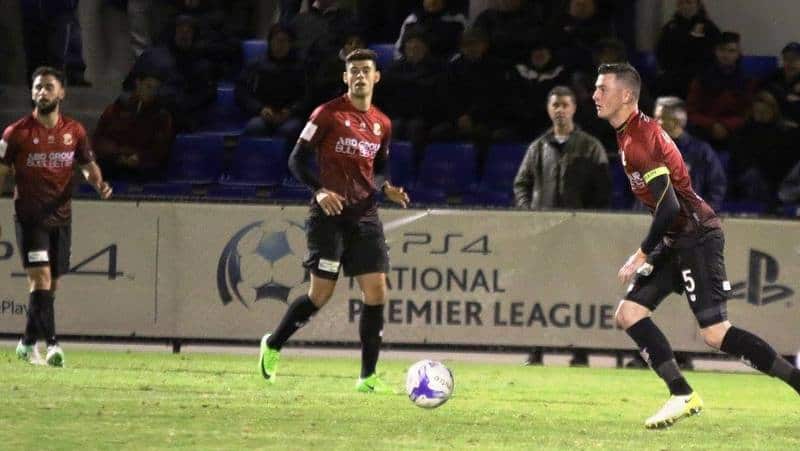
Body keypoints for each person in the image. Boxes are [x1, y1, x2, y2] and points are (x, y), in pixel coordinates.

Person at [592, 62, 800, 429]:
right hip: (677, 237)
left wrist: (642, 251)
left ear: (626, 95)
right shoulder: (629, 132)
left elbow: (669, 205)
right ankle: (681, 394)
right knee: (629, 313)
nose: (594, 95)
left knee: (715, 333)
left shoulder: (640, 139)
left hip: (696, 235)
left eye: (602, 88)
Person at [258, 49, 410, 393]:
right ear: (345, 77)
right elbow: (295, 160)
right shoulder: (327, 114)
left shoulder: (382, 123)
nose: (359, 75)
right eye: (353, 70)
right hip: (329, 216)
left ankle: (367, 377)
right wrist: (319, 191)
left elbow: (380, 167)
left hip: (365, 214)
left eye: (365, 70)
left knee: (377, 290)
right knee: (320, 294)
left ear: (376, 77)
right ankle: (274, 344)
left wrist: (385, 188)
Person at [0, 67, 112, 366]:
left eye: (49, 87)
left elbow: (87, 165)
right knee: (41, 279)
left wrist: (98, 182)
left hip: (61, 218)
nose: (42, 92)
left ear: (62, 93)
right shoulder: (16, 133)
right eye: (37, 87)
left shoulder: (74, 132)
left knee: (51, 286)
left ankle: (25, 342)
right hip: (30, 218)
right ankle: (52, 346)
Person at [513, 85, 610, 211]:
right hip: (542, 223)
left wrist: (589, 217)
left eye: (565, 105)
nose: (560, 110)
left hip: (578, 223)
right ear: (548, 108)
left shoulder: (592, 147)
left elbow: (603, 188)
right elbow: (521, 185)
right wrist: (528, 212)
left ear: (574, 108)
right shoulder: (537, 148)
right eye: (555, 105)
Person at [94, 71, 175, 182]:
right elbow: (99, 139)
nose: (151, 92)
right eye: (148, 86)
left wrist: (140, 157)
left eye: (155, 89)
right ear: (138, 83)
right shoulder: (116, 109)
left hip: (143, 166)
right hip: (114, 161)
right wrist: (117, 155)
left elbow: (160, 148)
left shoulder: (162, 116)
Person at [653, 96, 726, 211]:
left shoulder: (701, 151)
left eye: (661, 118)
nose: (655, 123)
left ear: (676, 121)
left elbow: (717, 186)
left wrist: (704, 214)